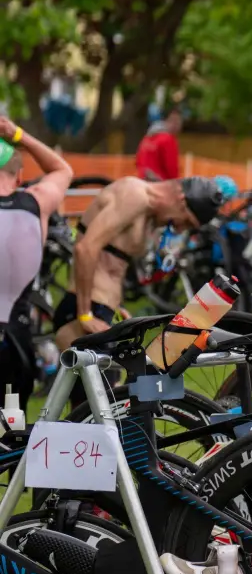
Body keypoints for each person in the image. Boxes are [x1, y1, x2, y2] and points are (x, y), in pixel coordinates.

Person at [54, 176, 225, 351]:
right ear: (181, 200)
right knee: (103, 378)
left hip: (104, 310)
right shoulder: (134, 195)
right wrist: (85, 314)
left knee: (116, 378)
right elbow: (86, 248)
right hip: (85, 310)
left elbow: (113, 265)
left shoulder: (148, 213)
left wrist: (117, 307)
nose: (180, 228)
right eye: (186, 221)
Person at [0, 117, 73, 407]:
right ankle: (12, 447)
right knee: (12, 417)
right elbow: (62, 169)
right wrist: (17, 134)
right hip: (15, 337)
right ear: (18, 177)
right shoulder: (37, 202)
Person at [134, 107, 183, 181]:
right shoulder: (168, 139)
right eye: (173, 121)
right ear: (165, 121)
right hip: (160, 185)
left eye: (178, 122)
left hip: (142, 182)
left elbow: (138, 161)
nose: (176, 125)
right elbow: (171, 168)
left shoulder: (147, 138)